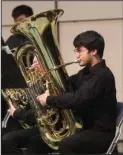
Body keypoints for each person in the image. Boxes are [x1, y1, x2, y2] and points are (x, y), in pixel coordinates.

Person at [36, 30, 117, 154]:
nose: (76, 56)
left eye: (79, 51)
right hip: (85, 128)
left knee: (67, 144)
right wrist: (44, 72)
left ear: (93, 51)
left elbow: (78, 99)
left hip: (100, 133)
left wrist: (49, 100)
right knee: (38, 140)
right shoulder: (85, 72)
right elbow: (66, 85)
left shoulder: (103, 75)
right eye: (76, 51)